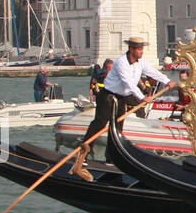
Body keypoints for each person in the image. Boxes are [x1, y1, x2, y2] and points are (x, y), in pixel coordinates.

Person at [71, 37, 167, 181]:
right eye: (140, 49)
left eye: (142, 49)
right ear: (132, 49)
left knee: (117, 127)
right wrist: (142, 97)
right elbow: (128, 83)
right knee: (100, 123)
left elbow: (152, 72)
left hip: (121, 97)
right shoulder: (122, 62)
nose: (142, 51)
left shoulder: (140, 62)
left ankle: (110, 158)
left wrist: (167, 80)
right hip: (107, 96)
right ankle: (82, 155)